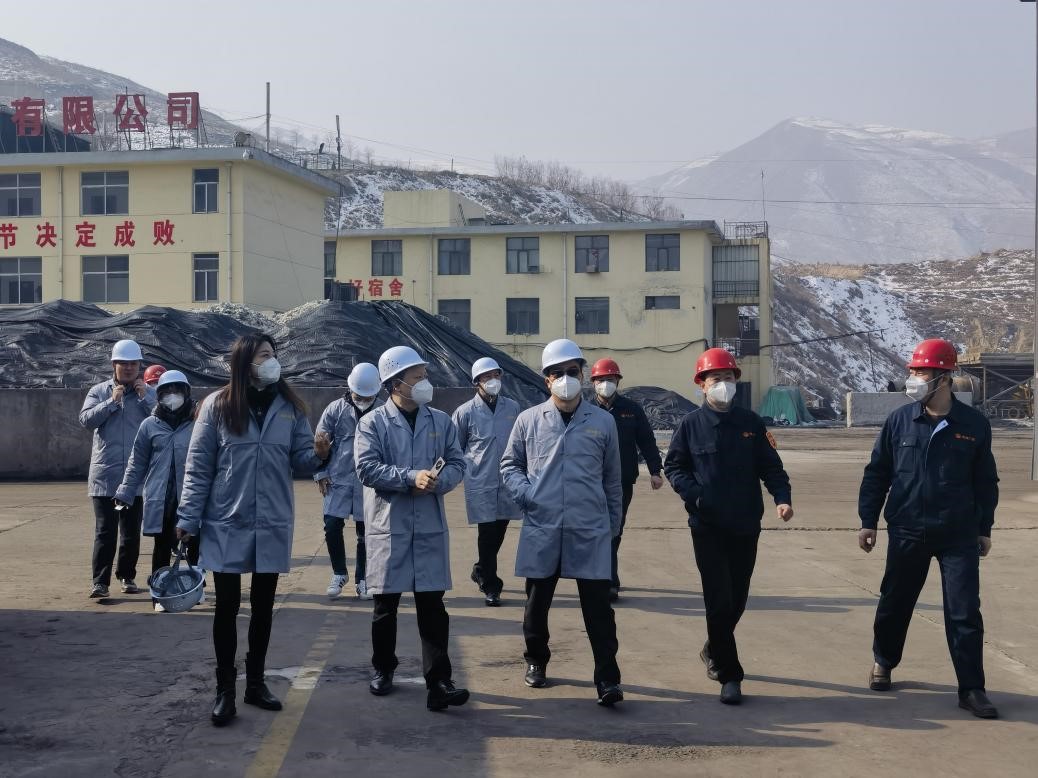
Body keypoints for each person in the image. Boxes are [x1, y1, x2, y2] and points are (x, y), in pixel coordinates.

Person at [175, 334, 331, 727]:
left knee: (263, 607)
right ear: (244, 362)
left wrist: (319, 453)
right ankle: (224, 689)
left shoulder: (290, 407)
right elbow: (198, 469)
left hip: (272, 520)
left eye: (274, 355)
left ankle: (255, 683)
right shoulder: (218, 406)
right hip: (226, 520)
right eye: (263, 355)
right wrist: (187, 520)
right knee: (227, 608)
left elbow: (300, 458)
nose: (272, 361)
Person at [858, 338, 1000, 719]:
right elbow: (878, 473)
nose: (913, 379)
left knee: (964, 612)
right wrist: (867, 520)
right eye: (913, 372)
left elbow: (986, 480)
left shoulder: (973, 425)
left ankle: (972, 689)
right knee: (895, 602)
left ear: (944, 377)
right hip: (907, 529)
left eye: (921, 372)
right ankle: (884, 661)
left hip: (958, 534)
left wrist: (984, 527)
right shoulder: (900, 421)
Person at [664, 347, 793, 706]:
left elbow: (771, 467)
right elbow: (674, 468)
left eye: (728, 377)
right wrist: (697, 497)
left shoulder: (751, 424)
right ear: (702, 386)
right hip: (707, 526)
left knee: (737, 598)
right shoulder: (689, 425)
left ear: (737, 381)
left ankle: (712, 648)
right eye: (715, 379)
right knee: (718, 600)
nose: (723, 384)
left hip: (745, 524)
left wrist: (782, 497)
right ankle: (729, 674)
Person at [500, 338, 624, 706]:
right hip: (543, 526)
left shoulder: (603, 422)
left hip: (590, 529)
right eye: (558, 373)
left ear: (583, 375)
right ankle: (536, 660)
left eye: (573, 372)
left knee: (599, 611)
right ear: (546, 380)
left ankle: (608, 678)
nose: (566, 379)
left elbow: (612, 479)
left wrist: (612, 526)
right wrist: (527, 496)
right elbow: (509, 465)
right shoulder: (528, 421)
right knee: (536, 606)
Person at [354, 345, 470, 712]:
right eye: (418, 377)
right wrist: (409, 477)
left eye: (424, 376)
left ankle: (439, 682)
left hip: (429, 526)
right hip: (390, 525)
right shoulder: (372, 423)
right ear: (395, 383)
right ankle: (383, 668)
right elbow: (366, 468)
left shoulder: (440, 420)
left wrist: (443, 480)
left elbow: (457, 461)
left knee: (433, 606)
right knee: (386, 604)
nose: (424, 383)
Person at [115, 370, 201, 612]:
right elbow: (137, 462)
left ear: (186, 393)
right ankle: (159, 596)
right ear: (159, 394)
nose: (172, 396)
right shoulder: (149, 426)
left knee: (194, 544)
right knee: (162, 547)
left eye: (178, 391)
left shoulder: (198, 424)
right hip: (161, 497)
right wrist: (125, 491)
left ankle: (197, 588)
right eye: (167, 392)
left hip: (190, 495)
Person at [79, 339, 157, 599]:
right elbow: (86, 420)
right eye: (123, 363)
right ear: (113, 364)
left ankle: (127, 576)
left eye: (133, 363)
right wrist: (111, 402)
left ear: (139, 366)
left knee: (131, 533)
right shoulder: (99, 391)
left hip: (135, 477)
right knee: (105, 531)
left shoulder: (147, 393)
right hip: (105, 476)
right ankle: (100, 582)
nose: (128, 367)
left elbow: (162, 421)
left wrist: (146, 398)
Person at [589, 357, 664, 601]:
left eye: (610, 379)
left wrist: (655, 470)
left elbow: (646, 440)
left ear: (618, 381)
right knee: (596, 529)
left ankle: (607, 575)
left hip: (622, 480)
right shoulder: (584, 410)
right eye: (601, 380)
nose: (606, 384)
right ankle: (605, 578)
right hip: (589, 481)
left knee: (615, 528)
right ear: (593, 384)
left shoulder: (632, 410)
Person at [452, 357, 522, 606]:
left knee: (499, 530)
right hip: (480, 481)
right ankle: (491, 586)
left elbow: (519, 443)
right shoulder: (464, 413)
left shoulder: (512, 408)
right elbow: (455, 448)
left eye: (496, 375)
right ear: (477, 382)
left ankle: (480, 569)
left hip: (507, 480)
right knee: (486, 532)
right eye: (487, 377)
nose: (493, 381)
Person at [315, 362, 381, 600]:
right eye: (358, 395)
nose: (362, 399)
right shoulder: (335, 409)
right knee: (332, 525)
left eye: (368, 395)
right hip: (338, 478)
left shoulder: (383, 410)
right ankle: (339, 572)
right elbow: (320, 443)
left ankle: (363, 579)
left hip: (370, 481)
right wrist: (320, 472)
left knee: (367, 532)